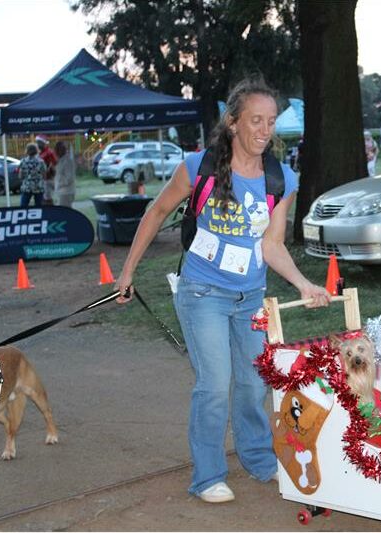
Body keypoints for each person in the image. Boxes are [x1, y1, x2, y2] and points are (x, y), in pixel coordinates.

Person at [113, 77, 330, 504]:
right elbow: (156, 213)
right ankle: (208, 474)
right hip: (201, 293)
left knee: (253, 383)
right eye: (255, 120)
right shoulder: (198, 167)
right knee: (214, 383)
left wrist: (304, 283)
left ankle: (258, 459)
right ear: (232, 122)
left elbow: (272, 244)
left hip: (250, 297)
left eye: (270, 121)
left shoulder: (280, 177)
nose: (264, 130)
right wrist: (127, 272)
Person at [18, 143, 46, 207]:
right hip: (38, 186)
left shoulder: (23, 161)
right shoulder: (41, 162)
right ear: (36, 150)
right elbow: (44, 175)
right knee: (39, 206)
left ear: (27, 151)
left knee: (23, 206)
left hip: (27, 187)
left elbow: (20, 176)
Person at [53, 141, 76, 208]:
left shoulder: (67, 161)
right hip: (61, 191)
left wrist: (59, 183)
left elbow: (69, 178)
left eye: (57, 150)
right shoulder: (60, 160)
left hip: (66, 192)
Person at [36, 135, 57, 205]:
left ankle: (51, 211)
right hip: (42, 178)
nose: (37, 144)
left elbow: (55, 163)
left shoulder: (49, 152)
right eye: (37, 143)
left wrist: (50, 169)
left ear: (43, 143)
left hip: (48, 178)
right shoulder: (40, 153)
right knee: (44, 197)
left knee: (47, 198)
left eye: (39, 143)